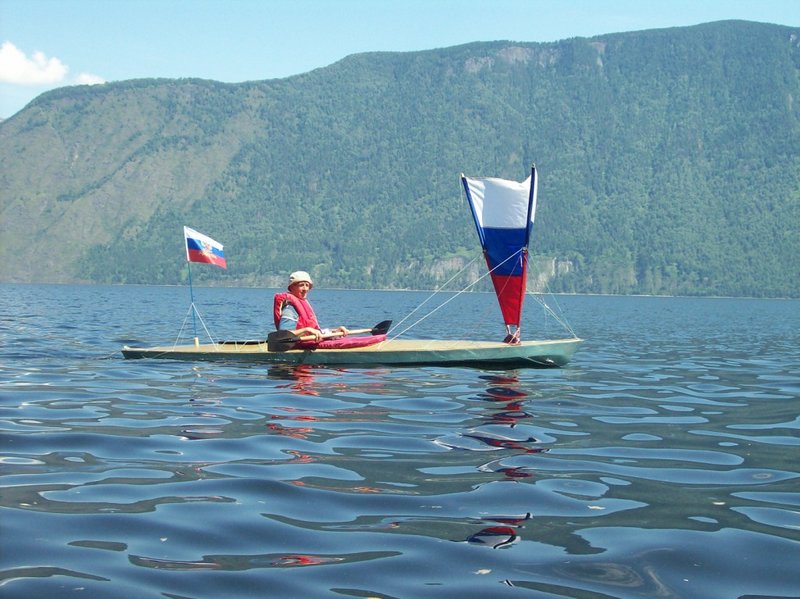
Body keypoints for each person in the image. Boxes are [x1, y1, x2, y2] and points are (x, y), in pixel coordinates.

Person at [273, 271, 349, 342]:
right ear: (292, 287)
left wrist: (334, 332)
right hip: (297, 346)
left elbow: (316, 331)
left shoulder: (303, 304)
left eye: (307, 285)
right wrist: (307, 330)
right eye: (301, 285)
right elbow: (283, 335)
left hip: (308, 343)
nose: (305, 289)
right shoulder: (290, 309)